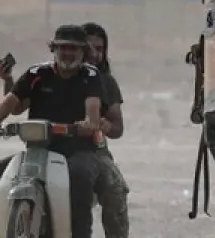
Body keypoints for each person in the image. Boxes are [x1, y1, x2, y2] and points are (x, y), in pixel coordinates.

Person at [0, 25, 105, 238]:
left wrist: (88, 124)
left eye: (73, 48)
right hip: (37, 149)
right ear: (54, 49)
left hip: (77, 151)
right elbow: (10, 104)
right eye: (62, 47)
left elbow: (93, 113)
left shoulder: (90, 75)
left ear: (83, 51)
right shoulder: (36, 74)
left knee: (80, 177)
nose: (67, 53)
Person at [80, 24, 128, 238]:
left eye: (99, 49)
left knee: (115, 189)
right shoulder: (56, 75)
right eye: (89, 48)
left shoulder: (106, 82)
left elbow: (118, 128)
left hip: (94, 151)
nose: (95, 54)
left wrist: (106, 125)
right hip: (55, 146)